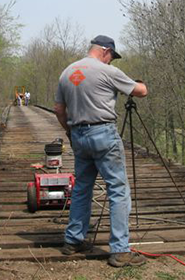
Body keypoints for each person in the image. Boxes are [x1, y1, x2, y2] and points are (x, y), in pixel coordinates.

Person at [54, 35, 148, 267]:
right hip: (103, 134)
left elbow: (58, 109)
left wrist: (69, 132)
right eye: (111, 56)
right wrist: (138, 82)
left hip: (78, 135)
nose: (111, 61)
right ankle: (120, 250)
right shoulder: (107, 71)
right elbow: (141, 91)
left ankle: (73, 240)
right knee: (118, 190)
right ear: (105, 51)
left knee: (82, 188)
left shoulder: (67, 72)